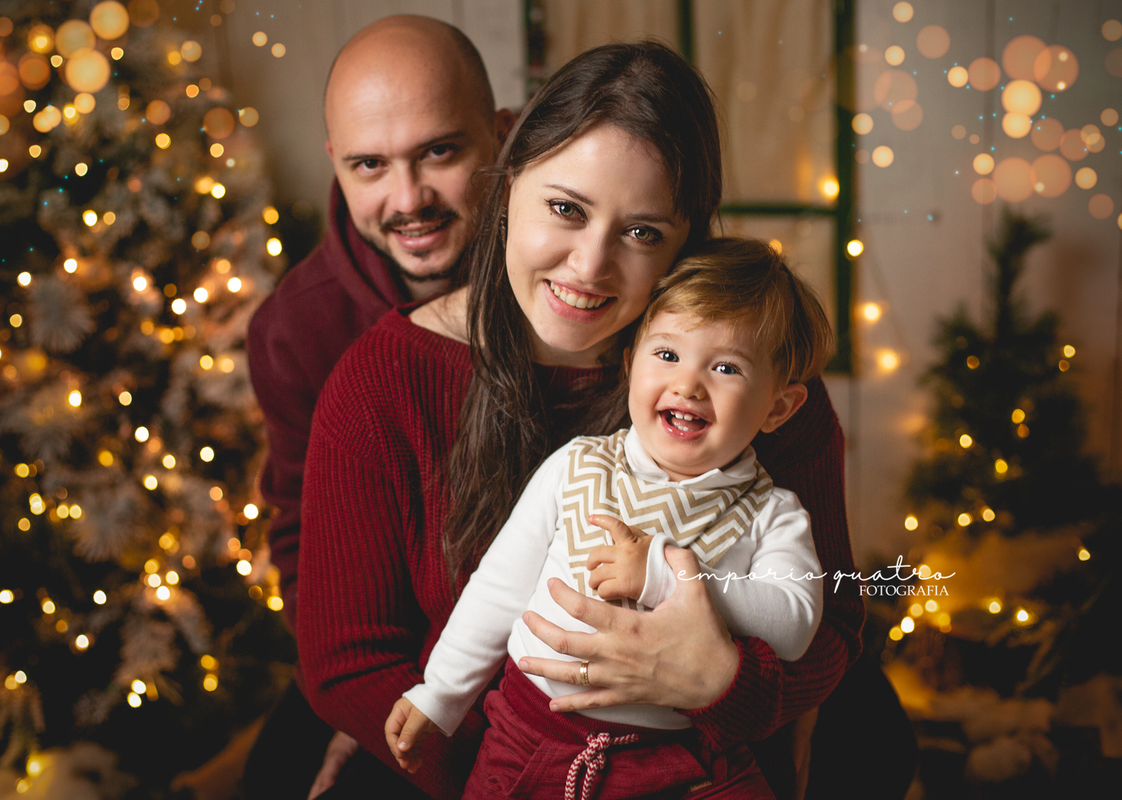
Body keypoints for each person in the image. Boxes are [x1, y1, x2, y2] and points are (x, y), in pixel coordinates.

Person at [297, 40, 865, 800]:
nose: (589, 266)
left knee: (867, 749)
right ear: (507, 184)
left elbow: (830, 621)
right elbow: (348, 659)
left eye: (642, 233)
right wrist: (521, 764)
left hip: (697, 752)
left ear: (686, 241)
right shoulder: (379, 383)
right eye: (566, 209)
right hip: (497, 754)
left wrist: (722, 688)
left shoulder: (750, 387)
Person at [385, 238, 834, 799]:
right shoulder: (577, 466)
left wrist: (666, 575)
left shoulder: (771, 513)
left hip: (681, 757)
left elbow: (793, 626)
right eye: (667, 355)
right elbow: (498, 588)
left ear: (778, 407)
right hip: (532, 734)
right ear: (630, 365)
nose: (688, 384)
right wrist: (441, 694)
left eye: (725, 367)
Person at [243, 15, 513, 799]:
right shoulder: (299, 329)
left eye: (440, 151)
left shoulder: (573, 263)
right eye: (370, 165)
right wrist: (360, 700)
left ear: (498, 135)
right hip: (394, 642)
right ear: (337, 164)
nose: (409, 200)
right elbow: (300, 536)